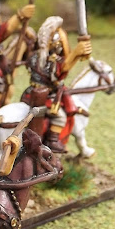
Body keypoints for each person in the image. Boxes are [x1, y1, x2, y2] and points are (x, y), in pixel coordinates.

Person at [21, 16, 92, 152]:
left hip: (41, 92)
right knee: (60, 117)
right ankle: (52, 141)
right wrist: (75, 53)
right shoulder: (45, 59)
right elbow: (58, 73)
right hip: (43, 96)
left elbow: (64, 65)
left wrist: (78, 54)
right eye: (59, 42)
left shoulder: (39, 56)